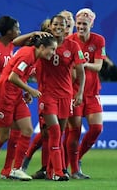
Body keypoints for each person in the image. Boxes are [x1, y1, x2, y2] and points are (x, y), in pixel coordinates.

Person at [0, 16, 49, 180]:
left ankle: (16, 169)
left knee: (27, 129)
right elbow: (13, 77)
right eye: (52, 49)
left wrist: (25, 91)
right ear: (42, 47)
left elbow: (21, 74)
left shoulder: (32, 55)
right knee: (2, 135)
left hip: (16, 95)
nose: (53, 53)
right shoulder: (27, 54)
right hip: (2, 95)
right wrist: (31, 90)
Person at [37, 14, 85, 181]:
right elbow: (18, 44)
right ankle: (59, 171)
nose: (58, 27)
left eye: (61, 25)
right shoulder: (43, 41)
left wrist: (79, 93)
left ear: (66, 27)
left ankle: (51, 171)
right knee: (54, 133)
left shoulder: (73, 46)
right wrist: (34, 35)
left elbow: (81, 71)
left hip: (66, 95)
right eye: (55, 24)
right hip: (47, 94)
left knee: (60, 134)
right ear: (50, 26)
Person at [66, 8, 106, 179]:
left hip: (92, 91)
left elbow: (98, 66)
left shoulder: (98, 40)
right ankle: (74, 170)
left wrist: (82, 64)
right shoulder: (69, 40)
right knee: (74, 132)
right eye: (79, 23)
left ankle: (77, 158)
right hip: (74, 92)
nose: (81, 27)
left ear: (92, 23)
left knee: (96, 128)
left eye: (85, 23)